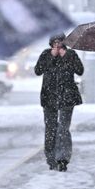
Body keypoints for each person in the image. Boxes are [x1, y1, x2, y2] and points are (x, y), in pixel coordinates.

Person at [35, 33, 84, 172]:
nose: (57, 44)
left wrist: (66, 57)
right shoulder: (46, 54)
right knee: (51, 129)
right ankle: (51, 159)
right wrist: (51, 56)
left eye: (60, 42)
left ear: (64, 42)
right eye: (55, 42)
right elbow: (38, 70)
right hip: (49, 97)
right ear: (51, 43)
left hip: (67, 97)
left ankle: (62, 159)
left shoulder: (71, 54)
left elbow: (80, 70)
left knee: (63, 128)